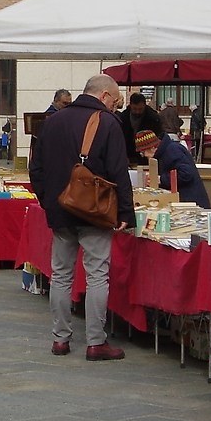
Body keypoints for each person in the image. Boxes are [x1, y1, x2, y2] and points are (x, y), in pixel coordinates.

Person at [28, 74, 136, 362]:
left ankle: (60, 339)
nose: (115, 106)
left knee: (61, 275)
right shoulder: (107, 122)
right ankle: (96, 342)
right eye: (114, 100)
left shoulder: (51, 122)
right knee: (97, 274)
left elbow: (35, 167)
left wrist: (47, 199)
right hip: (94, 211)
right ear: (103, 96)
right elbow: (118, 171)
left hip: (60, 209)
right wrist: (126, 211)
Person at [152, 112, 209, 206]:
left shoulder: (172, 150)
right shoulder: (166, 151)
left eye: (143, 152)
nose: (143, 155)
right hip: (186, 200)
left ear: (152, 147)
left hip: (190, 202)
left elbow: (186, 173)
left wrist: (162, 179)